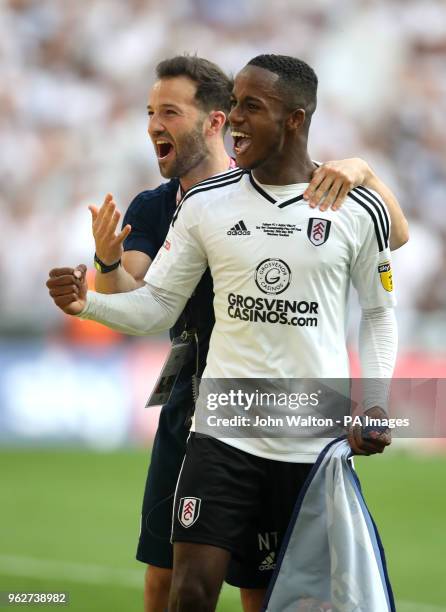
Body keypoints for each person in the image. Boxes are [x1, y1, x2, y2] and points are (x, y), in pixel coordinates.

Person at [48, 54, 402, 611]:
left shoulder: (355, 209)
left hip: (308, 437)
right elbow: (159, 304)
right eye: (233, 103)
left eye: (251, 107)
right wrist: (86, 304)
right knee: (185, 590)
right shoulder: (204, 204)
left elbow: (379, 314)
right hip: (221, 431)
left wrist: (376, 404)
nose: (234, 117)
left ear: (295, 119)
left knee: (287, 601)